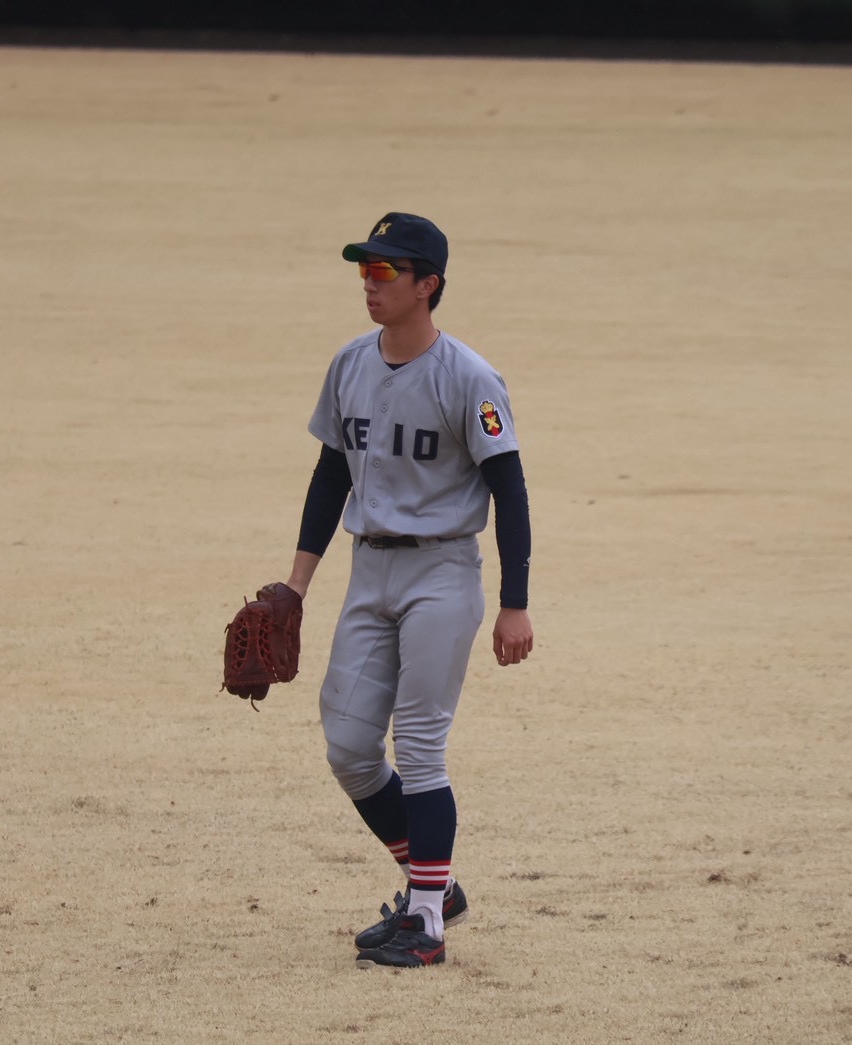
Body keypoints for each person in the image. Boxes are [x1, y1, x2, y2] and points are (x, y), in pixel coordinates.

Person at [279, 212, 535, 969]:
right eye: (364, 267)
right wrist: (296, 586)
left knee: (419, 745)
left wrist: (514, 603)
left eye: (385, 270)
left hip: (441, 572)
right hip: (370, 569)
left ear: (428, 284)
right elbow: (331, 475)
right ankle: (437, 885)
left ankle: (425, 922)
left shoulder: (469, 377)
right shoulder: (349, 364)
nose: (369, 281)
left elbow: (510, 491)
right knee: (350, 747)